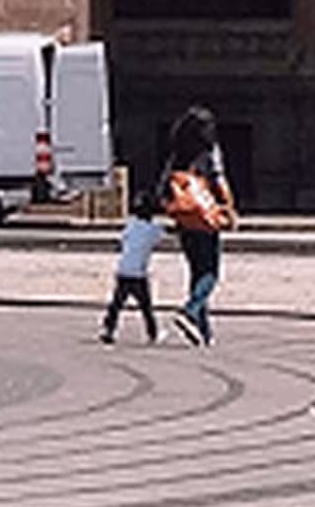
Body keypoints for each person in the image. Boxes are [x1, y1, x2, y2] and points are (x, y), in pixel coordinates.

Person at [161, 108, 236, 344]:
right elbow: (218, 178)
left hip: (185, 218)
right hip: (205, 214)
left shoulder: (178, 152)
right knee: (211, 272)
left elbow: (165, 183)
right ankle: (190, 311)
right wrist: (228, 207)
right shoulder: (209, 151)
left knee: (196, 272)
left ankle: (203, 332)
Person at [101, 189, 165, 342]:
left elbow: (123, 240)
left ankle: (109, 329)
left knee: (116, 303)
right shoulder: (154, 229)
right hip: (138, 273)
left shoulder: (130, 224)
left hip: (123, 269)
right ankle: (153, 333)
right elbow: (160, 238)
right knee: (146, 306)